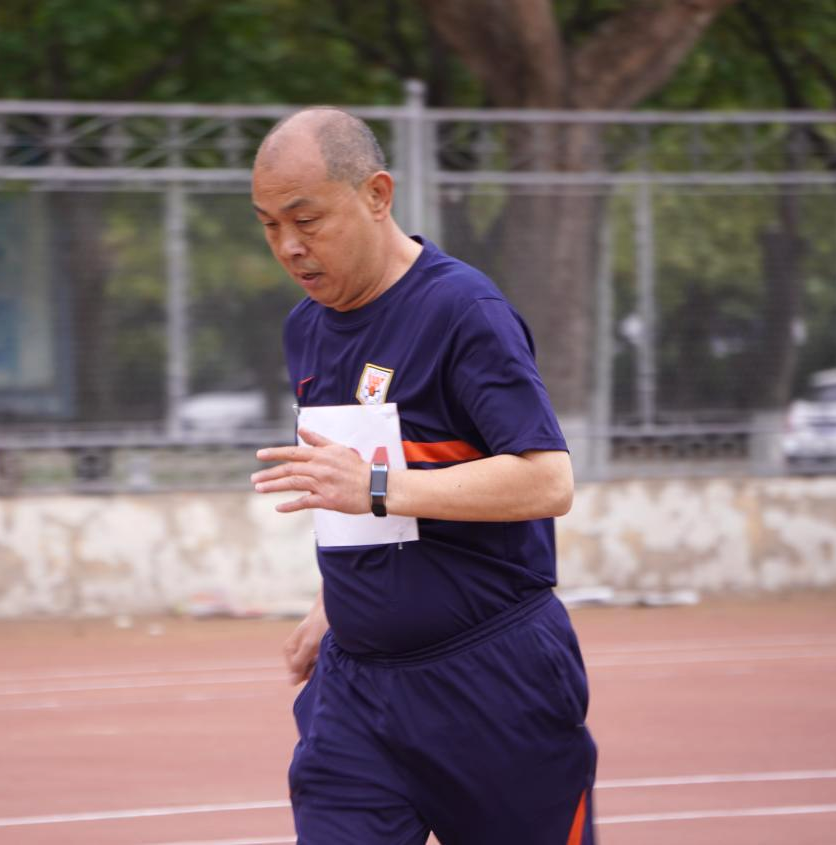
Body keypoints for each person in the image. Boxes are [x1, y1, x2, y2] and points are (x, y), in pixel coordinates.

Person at [249, 107, 597, 844]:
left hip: (492, 681)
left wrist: (377, 488)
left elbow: (547, 481)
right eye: (269, 225)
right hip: (357, 694)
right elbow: (352, 473)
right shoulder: (304, 327)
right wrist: (337, 599)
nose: (289, 246)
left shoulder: (463, 311)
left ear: (377, 195)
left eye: (306, 220)